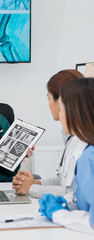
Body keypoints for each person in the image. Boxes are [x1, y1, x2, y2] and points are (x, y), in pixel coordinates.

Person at [12, 70, 87, 199]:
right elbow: (64, 182)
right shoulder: (72, 137)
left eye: (49, 98)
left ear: (62, 101)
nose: (49, 104)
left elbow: (74, 194)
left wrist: (31, 188)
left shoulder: (84, 143)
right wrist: (35, 182)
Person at [39, 78, 94, 235]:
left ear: (75, 113)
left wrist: (58, 214)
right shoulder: (84, 151)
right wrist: (68, 202)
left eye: (61, 108)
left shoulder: (90, 158)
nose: (60, 114)